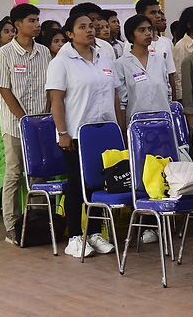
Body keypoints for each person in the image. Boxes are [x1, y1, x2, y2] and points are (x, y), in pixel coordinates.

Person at [46, 13, 117, 258]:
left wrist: (118, 129)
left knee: (99, 184)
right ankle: (75, 236)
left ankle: (95, 232)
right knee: (77, 185)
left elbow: (115, 97)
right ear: (70, 33)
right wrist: (62, 132)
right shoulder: (62, 62)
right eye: (82, 27)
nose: (90, 30)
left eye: (91, 26)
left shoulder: (105, 58)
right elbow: (56, 100)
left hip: (104, 133)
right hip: (76, 134)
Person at [0, 4, 50, 244]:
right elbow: (3, 89)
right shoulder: (4, 54)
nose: (37, 24)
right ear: (17, 25)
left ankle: (36, 223)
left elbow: (50, 87)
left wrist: (45, 116)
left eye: (37, 19)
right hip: (15, 125)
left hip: (40, 124)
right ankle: (11, 226)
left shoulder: (45, 52)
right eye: (31, 20)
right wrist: (24, 119)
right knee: (14, 174)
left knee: (38, 176)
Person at [113, 15, 171, 129]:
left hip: (163, 121)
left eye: (149, 29)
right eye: (142, 30)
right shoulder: (121, 64)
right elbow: (122, 102)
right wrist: (124, 130)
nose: (148, 33)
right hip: (137, 123)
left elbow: (168, 92)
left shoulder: (159, 59)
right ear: (131, 35)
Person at [135, 0, 176, 98]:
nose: (158, 16)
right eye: (153, 13)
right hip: (141, 97)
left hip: (163, 97)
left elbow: (171, 75)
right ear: (141, 15)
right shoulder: (131, 44)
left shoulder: (166, 43)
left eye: (159, 12)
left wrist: (174, 101)